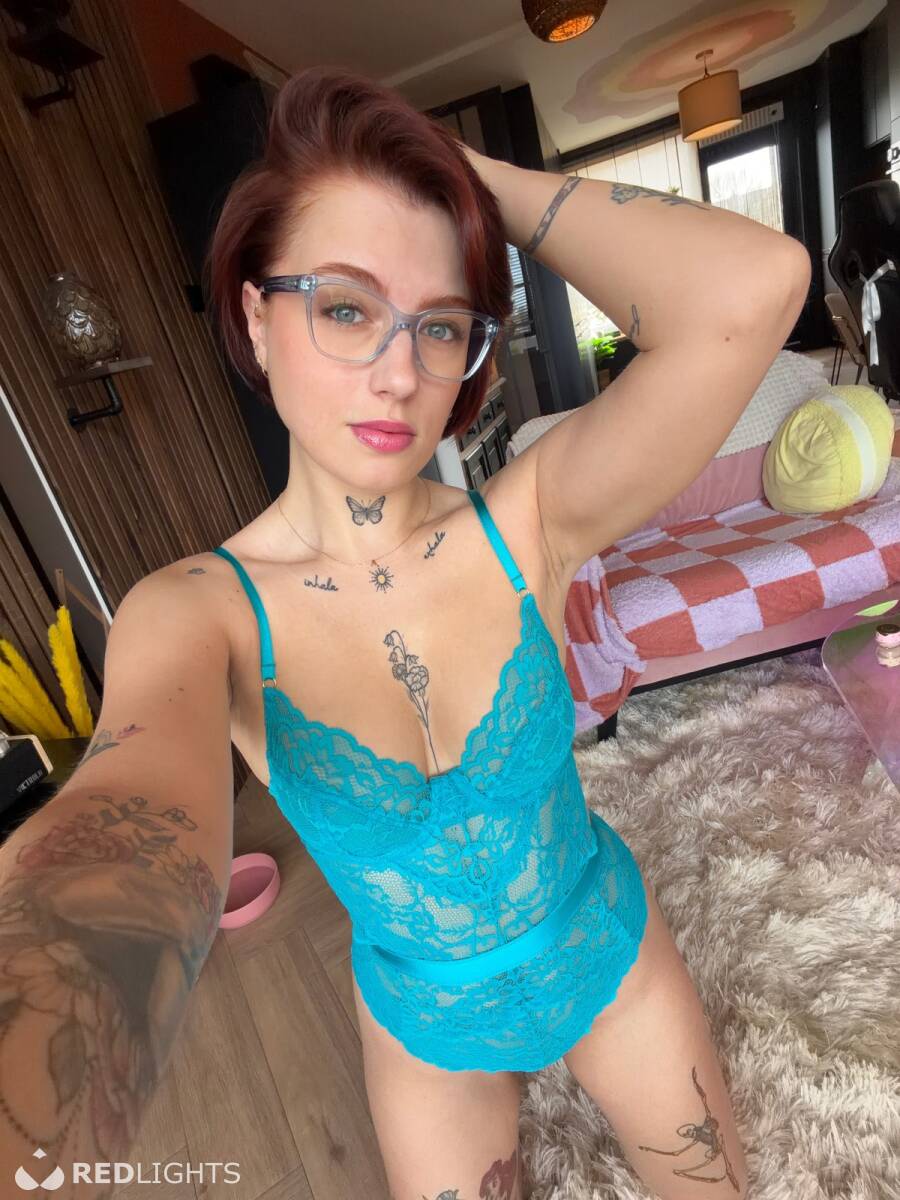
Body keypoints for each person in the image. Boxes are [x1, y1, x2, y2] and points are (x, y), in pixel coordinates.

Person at [0, 66, 809, 1200]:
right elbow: (134, 811)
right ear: (255, 316)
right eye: (345, 307)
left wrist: (463, 178)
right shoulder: (195, 609)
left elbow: (756, 287)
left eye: (439, 324)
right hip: (426, 1026)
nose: (398, 372)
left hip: (604, 953)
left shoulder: (530, 517)